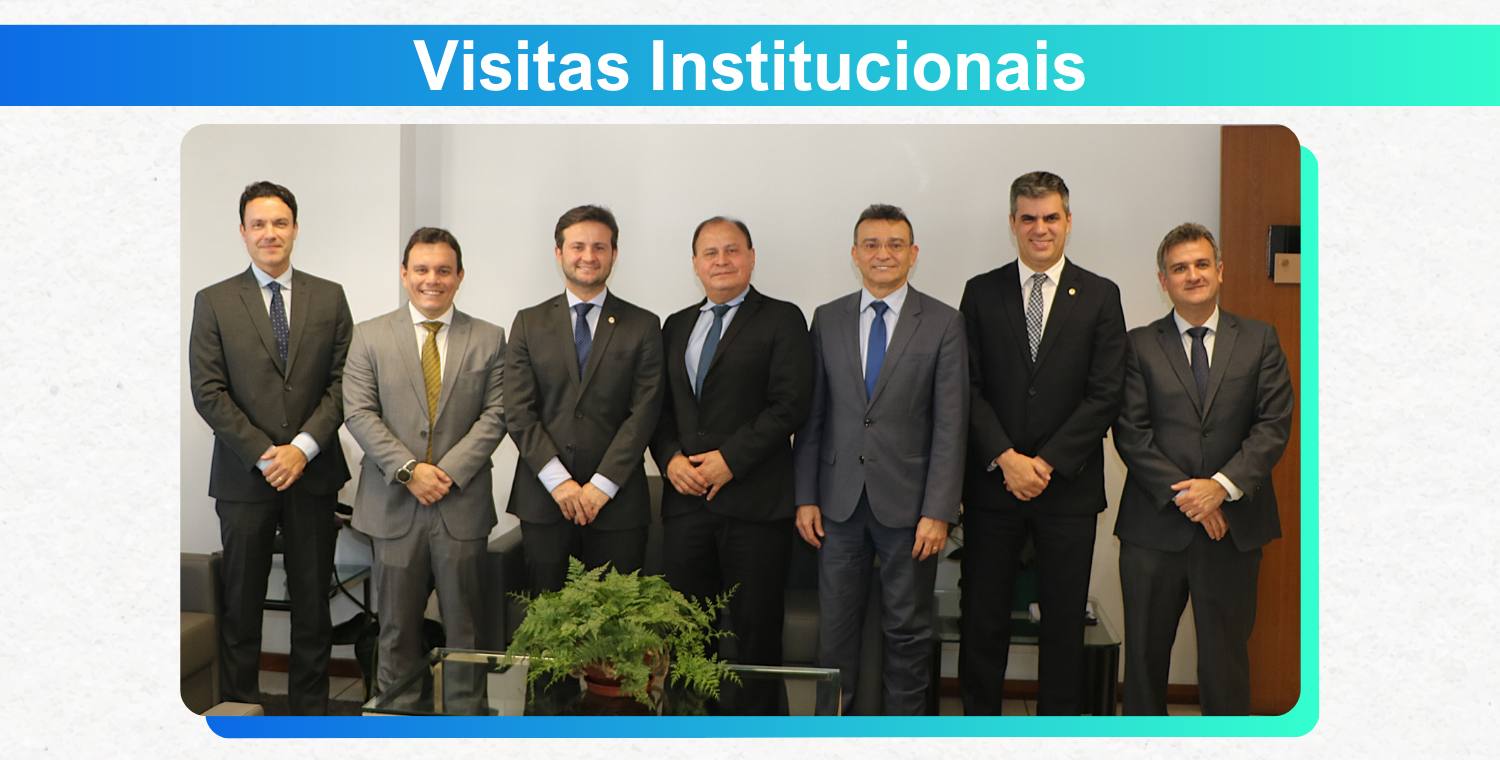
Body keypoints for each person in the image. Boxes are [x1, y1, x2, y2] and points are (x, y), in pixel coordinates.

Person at [958, 171, 1127, 715]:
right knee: (982, 620)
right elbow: (967, 387)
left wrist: (1046, 463)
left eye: (1051, 217)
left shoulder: (1101, 295)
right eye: (1028, 218)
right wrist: (1007, 458)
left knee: (1062, 624)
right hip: (994, 486)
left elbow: (1105, 394)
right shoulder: (981, 292)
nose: (1040, 228)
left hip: (1067, 490)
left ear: (1068, 222)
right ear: (1012, 223)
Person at [1111, 223, 1294, 715]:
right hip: (1154, 530)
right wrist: (1190, 497)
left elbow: (1273, 424)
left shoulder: (1259, 339)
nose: (1192, 275)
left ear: (1220, 271)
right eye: (1179, 268)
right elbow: (1131, 431)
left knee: (1225, 664)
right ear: (1163, 280)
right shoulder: (1137, 345)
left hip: (1233, 531)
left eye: (1200, 264)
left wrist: (1220, 488)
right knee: (1144, 664)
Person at [793, 204, 967, 716]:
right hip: (837, 505)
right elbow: (813, 417)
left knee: (908, 635)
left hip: (911, 511)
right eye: (871, 244)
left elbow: (951, 425)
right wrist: (805, 497)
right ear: (855, 254)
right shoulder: (827, 318)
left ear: (913, 254)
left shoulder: (944, 322)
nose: (882, 254)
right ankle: (833, 738)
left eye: (895, 244)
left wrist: (939, 510)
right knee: (835, 636)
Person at [188, 181, 352, 715]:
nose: (270, 233)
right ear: (243, 232)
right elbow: (208, 391)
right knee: (241, 604)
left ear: (295, 229)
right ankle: (241, 713)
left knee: (313, 605)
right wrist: (266, 453)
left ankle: (310, 717)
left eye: (280, 222)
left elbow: (344, 384)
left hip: (313, 474)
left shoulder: (330, 297)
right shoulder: (214, 301)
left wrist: (301, 448)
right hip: (243, 478)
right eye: (258, 224)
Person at [342, 227, 507, 702]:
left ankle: (467, 728)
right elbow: (359, 412)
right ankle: (398, 728)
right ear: (404, 274)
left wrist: (447, 473)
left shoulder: (489, 338)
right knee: (395, 631)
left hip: (461, 505)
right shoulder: (369, 335)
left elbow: (498, 413)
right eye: (421, 269)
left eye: (443, 270)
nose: (432, 279)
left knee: (466, 633)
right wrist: (410, 470)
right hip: (393, 506)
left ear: (459, 276)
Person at [650, 217, 814, 685]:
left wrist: (730, 460)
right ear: (695, 264)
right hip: (686, 506)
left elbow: (791, 404)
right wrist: (670, 458)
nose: (721, 260)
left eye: (732, 250)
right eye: (710, 252)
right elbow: (658, 408)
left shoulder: (783, 318)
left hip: (755, 508)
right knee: (686, 638)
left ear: (751, 258)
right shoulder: (675, 325)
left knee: (757, 636)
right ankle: (692, 724)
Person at [504, 205, 665, 593]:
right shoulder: (528, 322)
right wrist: (559, 482)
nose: (588, 256)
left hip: (618, 506)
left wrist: (601, 486)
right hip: (545, 501)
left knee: (616, 621)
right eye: (578, 246)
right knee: (547, 619)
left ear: (614, 254)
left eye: (599, 247)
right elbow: (518, 411)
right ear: (559, 253)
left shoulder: (643, 325)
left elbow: (644, 413)